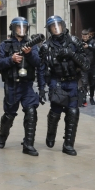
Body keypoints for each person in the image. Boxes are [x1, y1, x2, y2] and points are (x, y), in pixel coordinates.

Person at [39, 15, 90, 156]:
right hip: (57, 81)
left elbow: (86, 65)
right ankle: (51, 134)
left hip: (73, 81)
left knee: (73, 112)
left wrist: (72, 54)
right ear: (49, 29)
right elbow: (41, 69)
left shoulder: (74, 41)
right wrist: (42, 88)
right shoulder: (46, 46)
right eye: (53, 26)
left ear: (63, 25)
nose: (56, 28)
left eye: (58, 25)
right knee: (55, 111)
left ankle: (68, 144)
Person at [0, 18, 41, 156]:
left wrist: (29, 54)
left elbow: (38, 62)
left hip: (27, 85)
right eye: (19, 27)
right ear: (13, 28)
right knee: (9, 114)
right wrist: (11, 59)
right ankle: (2, 136)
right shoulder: (5, 45)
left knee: (31, 111)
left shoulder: (31, 45)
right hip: (12, 85)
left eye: (24, 27)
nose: (22, 30)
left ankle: (28, 144)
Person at [81, 28, 95, 105]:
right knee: (84, 83)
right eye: (83, 36)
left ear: (88, 35)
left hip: (92, 66)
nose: (84, 38)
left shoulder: (93, 41)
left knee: (92, 83)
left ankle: (91, 97)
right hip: (84, 66)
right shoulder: (80, 42)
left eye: (86, 36)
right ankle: (84, 98)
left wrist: (88, 46)